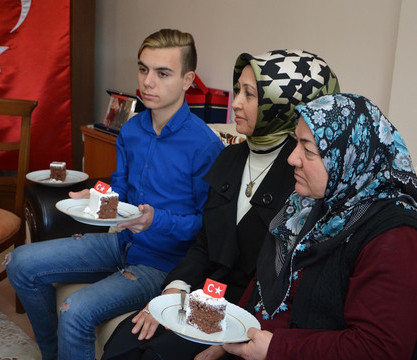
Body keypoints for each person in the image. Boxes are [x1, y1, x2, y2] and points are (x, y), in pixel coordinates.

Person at [101, 49, 340, 360]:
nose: (236, 103)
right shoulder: (230, 157)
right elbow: (204, 242)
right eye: (238, 89)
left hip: (247, 317)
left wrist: (230, 341)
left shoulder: (303, 174)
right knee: (122, 344)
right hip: (201, 296)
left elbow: (284, 281)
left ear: (283, 105)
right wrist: (174, 288)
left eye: (249, 94)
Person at [6, 28, 224, 360]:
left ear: (187, 79)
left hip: (163, 265)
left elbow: (205, 227)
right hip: (120, 242)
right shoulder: (132, 129)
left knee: (75, 310)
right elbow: (120, 187)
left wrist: (154, 221)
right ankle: (51, 352)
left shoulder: (205, 145)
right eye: (143, 69)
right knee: (20, 262)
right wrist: (95, 196)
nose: (148, 81)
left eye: (162, 73)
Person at [198, 93, 417, 360]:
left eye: (308, 150)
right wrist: (229, 338)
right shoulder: (312, 205)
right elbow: (263, 280)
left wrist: (276, 349)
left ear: (349, 157)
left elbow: (379, 349)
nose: (292, 159)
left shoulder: (398, 239)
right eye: (297, 144)